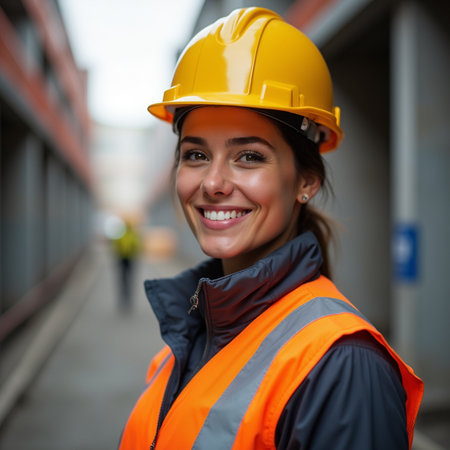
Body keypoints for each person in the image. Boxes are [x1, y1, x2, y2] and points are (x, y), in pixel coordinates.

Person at [119, 7, 423, 449]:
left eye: (249, 157)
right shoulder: (192, 332)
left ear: (306, 180)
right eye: (195, 154)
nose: (213, 183)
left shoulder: (342, 368)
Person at [112, 219, 140, 310]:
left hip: (124, 259)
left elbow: (115, 246)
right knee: (127, 279)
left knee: (123, 280)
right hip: (128, 259)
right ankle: (126, 298)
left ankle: (125, 298)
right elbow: (137, 246)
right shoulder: (132, 235)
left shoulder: (122, 235)